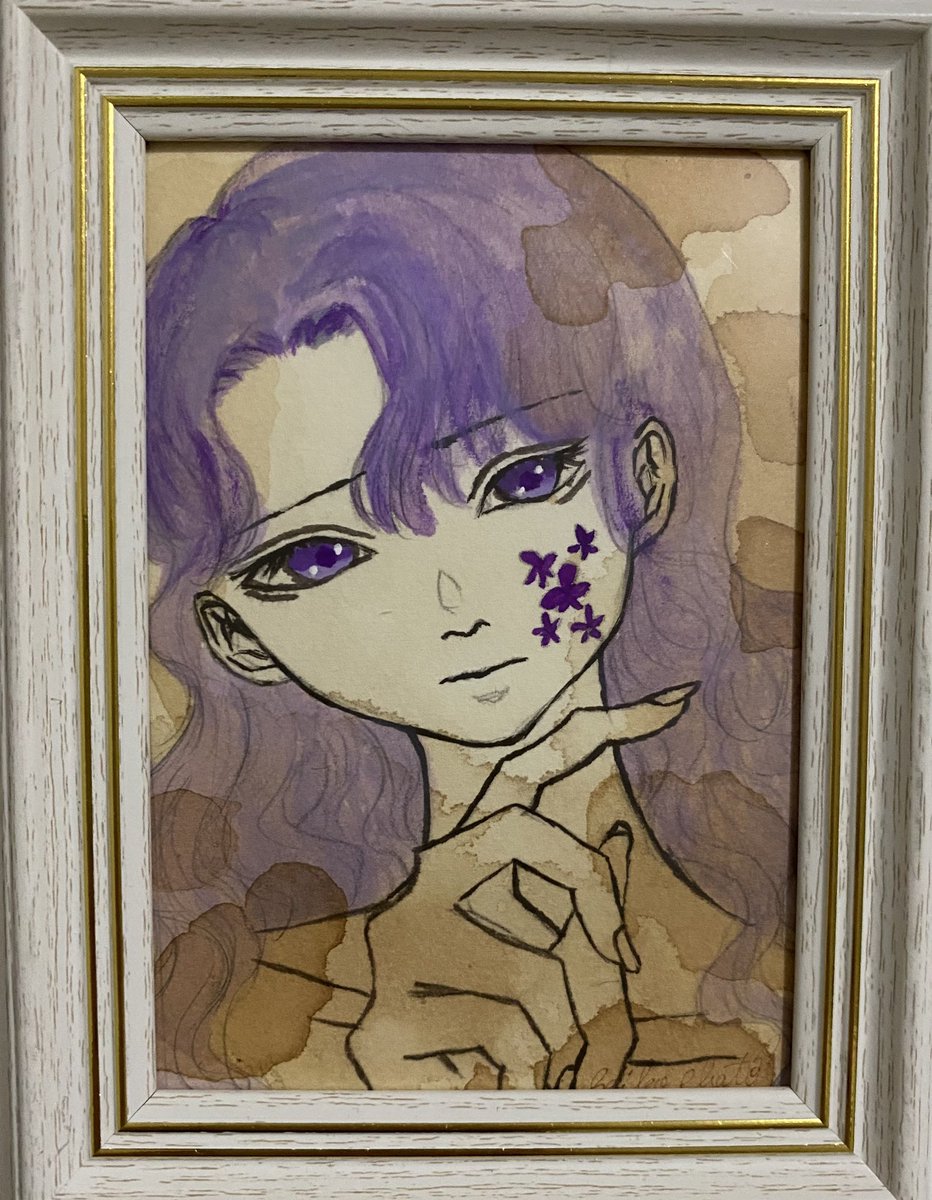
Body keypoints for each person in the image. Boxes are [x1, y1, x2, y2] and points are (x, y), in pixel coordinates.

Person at [147, 146, 796, 1091]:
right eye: (320, 556)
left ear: (643, 473)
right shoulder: (209, 1013)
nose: (455, 606)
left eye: (520, 481)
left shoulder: (810, 916)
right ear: (236, 634)